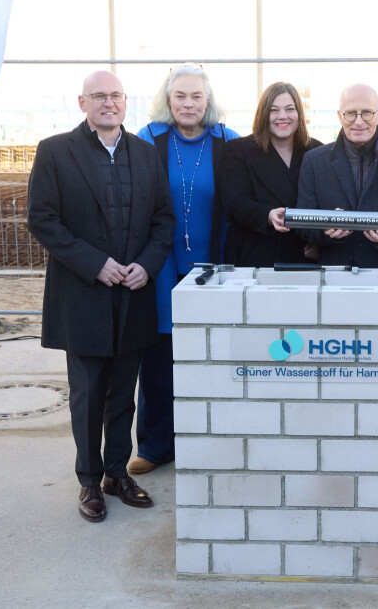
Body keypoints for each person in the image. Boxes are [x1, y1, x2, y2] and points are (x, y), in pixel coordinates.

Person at [27, 70, 175, 522]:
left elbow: (163, 221)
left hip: (133, 294)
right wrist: (97, 265)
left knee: (122, 395)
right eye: (98, 96)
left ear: (126, 102)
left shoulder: (147, 155)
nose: (107, 103)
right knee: (88, 394)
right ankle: (89, 481)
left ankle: (117, 473)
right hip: (83, 295)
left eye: (115, 96)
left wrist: (145, 267)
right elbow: (43, 220)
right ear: (82, 102)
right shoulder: (55, 152)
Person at [129, 65, 239, 475]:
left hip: (217, 265)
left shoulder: (228, 141)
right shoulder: (148, 140)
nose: (188, 104)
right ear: (168, 100)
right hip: (161, 263)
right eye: (180, 96)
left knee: (214, 357)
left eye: (196, 96)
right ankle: (155, 445)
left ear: (207, 101)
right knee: (159, 357)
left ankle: (211, 443)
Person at [296, 83, 378, 268]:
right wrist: (325, 231)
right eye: (351, 113)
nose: (359, 121)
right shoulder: (314, 161)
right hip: (334, 272)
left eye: (367, 112)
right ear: (339, 116)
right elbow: (302, 222)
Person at [219, 82, 322, 267]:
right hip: (253, 256)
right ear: (263, 114)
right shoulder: (238, 150)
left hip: (303, 257)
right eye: (274, 110)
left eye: (290, 109)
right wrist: (267, 215)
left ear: (299, 113)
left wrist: (320, 242)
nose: (282, 116)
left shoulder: (318, 151)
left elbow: (325, 204)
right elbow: (234, 202)